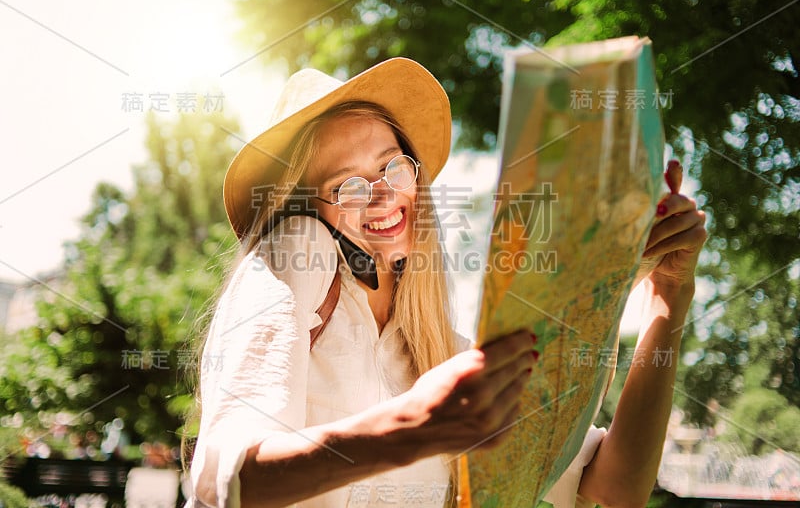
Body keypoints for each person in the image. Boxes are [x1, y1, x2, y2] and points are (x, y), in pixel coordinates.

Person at [188, 58, 706, 508]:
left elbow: (615, 487)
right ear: (308, 209)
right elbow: (223, 484)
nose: (382, 195)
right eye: (345, 185)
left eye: (392, 166)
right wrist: (413, 426)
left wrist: (668, 297)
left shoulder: (447, 361)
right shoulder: (296, 248)